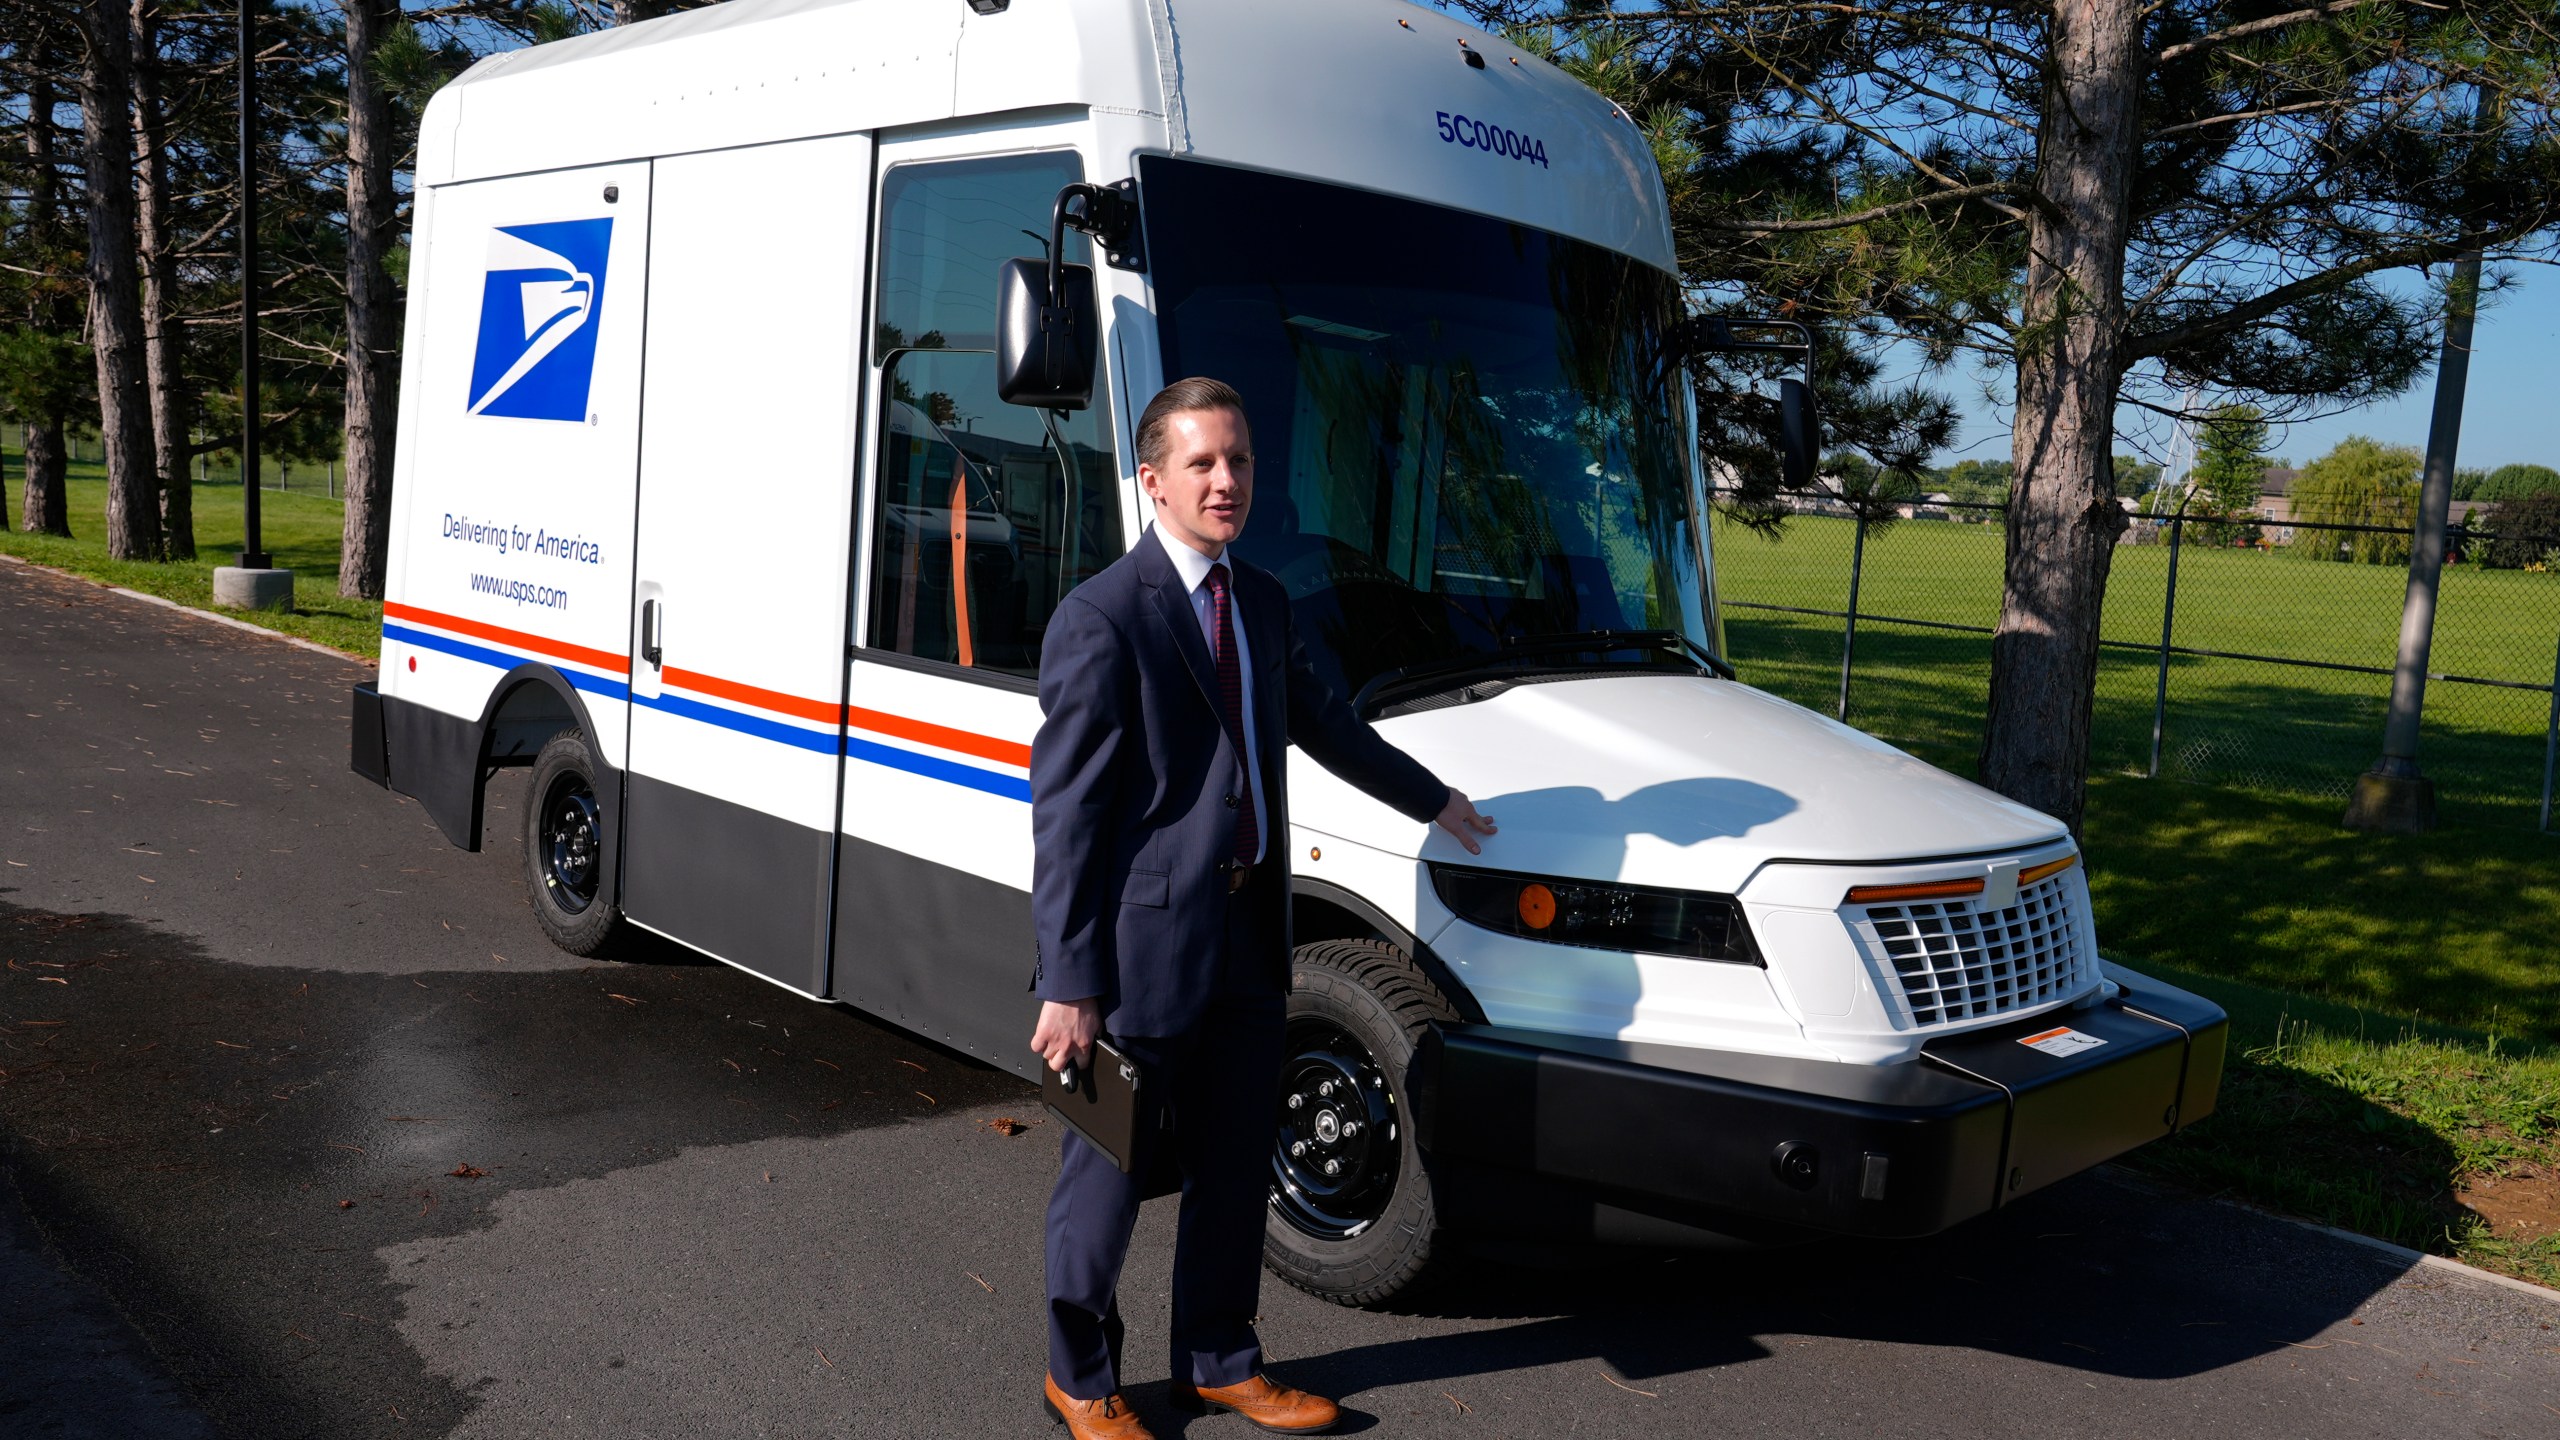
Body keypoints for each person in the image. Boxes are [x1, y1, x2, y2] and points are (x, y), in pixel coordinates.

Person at [1028, 377, 1497, 1438]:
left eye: (1237, 460)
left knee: (1235, 1165)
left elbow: (1327, 726)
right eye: (1201, 463)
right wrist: (1068, 979)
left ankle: (1220, 1360)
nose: (1226, 480)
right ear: (1153, 481)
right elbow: (1066, 820)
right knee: (1105, 1174)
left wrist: (1435, 801)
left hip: (1248, 937)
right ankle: (1079, 1376)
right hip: (1141, 947)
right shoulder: (1102, 617)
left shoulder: (1266, 602)